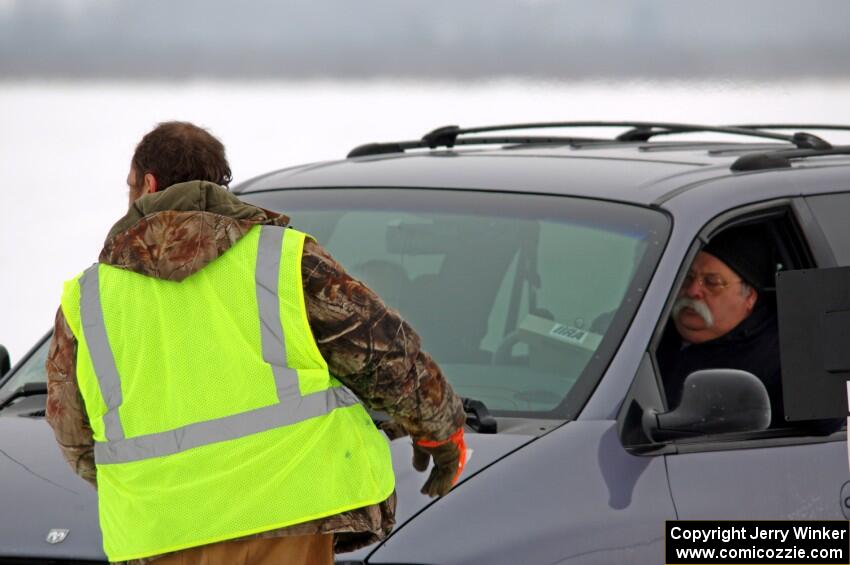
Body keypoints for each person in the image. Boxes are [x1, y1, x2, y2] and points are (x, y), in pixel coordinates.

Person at [45, 121, 466, 565]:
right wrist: (442, 432)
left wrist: (154, 488)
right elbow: (388, 359)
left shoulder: (89, 299)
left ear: (148, 184)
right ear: (219, 181)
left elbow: (72, 432)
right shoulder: (282, 261)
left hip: (162, 536)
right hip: (290, 517)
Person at [657, 225, 784, 425]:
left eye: (712, 282)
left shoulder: (778, 357)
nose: (692, 291)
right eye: (688, 277)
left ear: (749, 296)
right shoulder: (645, 329)